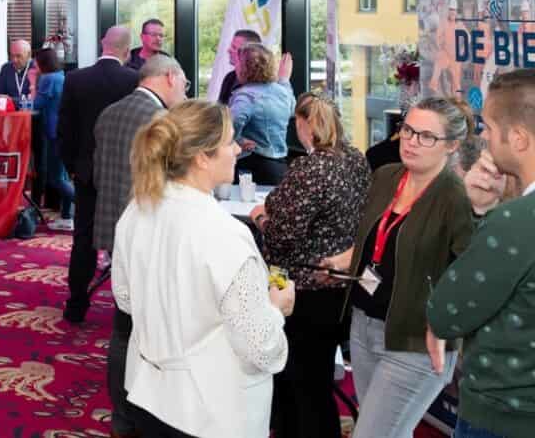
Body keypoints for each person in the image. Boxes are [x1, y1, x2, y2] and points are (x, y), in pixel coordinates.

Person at [113, 99, 293, 437]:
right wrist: (276, 308)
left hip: (149, 395)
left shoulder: (137, 209)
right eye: (229, 141)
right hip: (210, 411)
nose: (237, 149)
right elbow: (262, 347)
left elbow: (126, 299)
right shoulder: (226, 234)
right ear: (201, 157)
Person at [320, 96, 477, 438]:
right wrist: (343, 261)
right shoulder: (386, 177)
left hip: (415, 339)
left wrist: (444, 323)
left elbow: (472, 274)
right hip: (363, 324)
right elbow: (377, 243)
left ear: (451, 145)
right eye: (408, 130)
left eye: (426, 136)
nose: (411, 141)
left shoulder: (456, 197)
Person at [248, 92, 371, 438]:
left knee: (300, 382)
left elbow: (282, 236)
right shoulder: (356, 159)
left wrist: (260, 218)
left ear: (305, 124)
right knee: (314, 378)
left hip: (299, 287)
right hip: (341, 285)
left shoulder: (309, 168)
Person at [428, 69, 535, 438]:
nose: (484, 136)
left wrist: (483, 215)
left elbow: (445, 313)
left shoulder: (517, 221)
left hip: (503, 416)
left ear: (518, 138)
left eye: (488, 126)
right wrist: (486, 210)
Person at [92, 54, 189, 438]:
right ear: (169, 77)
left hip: (119, 233)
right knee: (151, 330)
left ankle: (122, 416)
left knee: (123, 329)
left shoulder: (109, 113)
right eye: (184, 84)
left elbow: (99, 175)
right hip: (153, 236)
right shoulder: (162, 123)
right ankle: (150, 411)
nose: (185, 92)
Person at [58, 25, 139, 324]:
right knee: (126, 238)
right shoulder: (133, 80)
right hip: (124, 174)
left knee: (84, 238)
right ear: (127, 51)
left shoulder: (76, 78)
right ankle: (125, 309)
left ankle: (76, 304)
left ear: (102, 44)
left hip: (87, 173)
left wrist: (72, 167)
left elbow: (64, 130)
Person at [230, 43, 295, 185]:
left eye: (237, 63)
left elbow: (232, 123)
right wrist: (284, 80)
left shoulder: (246, 95)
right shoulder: (283, 91)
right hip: (280, 165)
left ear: (244, 67)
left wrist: (238, 140)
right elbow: (291, 110)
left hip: (251, 166)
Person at [31, 47, 74, 230]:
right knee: (62, 175)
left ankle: (87, 203)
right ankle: (67, 217)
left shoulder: (48, 79)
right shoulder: (60, 76)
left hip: (53, 131)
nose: (33, 65)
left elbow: (36, 104)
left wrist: (32, 83)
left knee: (56, 178)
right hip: (64, 130)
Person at [218, 29, 262, 105]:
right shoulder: (230, 77)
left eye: (234, 47)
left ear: (250, 53)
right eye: (231, 46)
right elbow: (220, 108)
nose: (229, 50)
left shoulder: (260, 82)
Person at [0, 39, 33, 107]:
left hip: (32, 112)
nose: (14, 60)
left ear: (29, 55)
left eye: (18, 56)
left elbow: (34, 100)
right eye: (12, 56)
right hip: (9, 111)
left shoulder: (37, 69)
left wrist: (11, 100)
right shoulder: (6, 68)